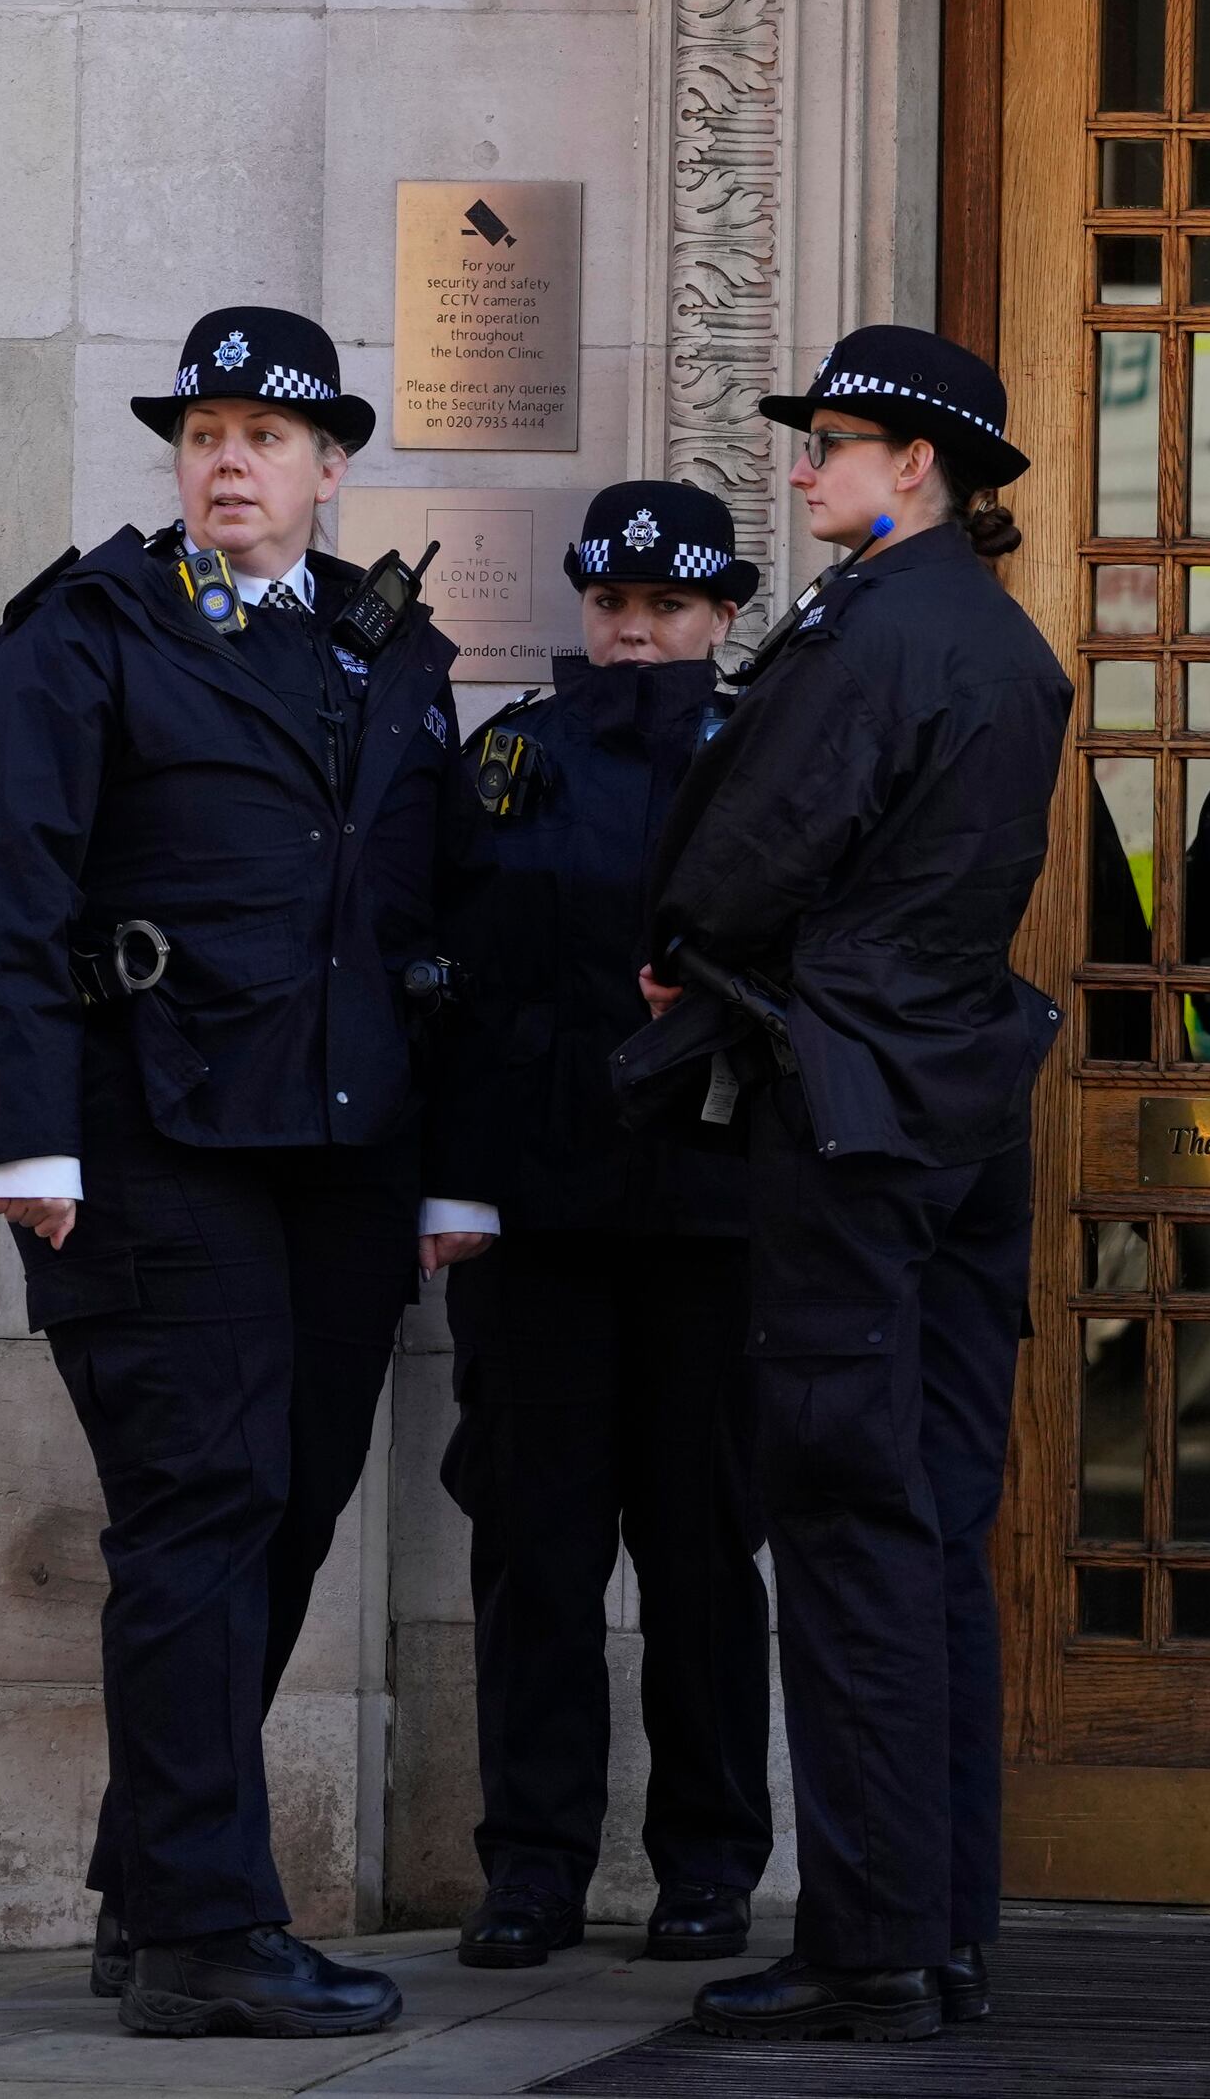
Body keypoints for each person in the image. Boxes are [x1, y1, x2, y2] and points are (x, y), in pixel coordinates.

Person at [0, 305, 469, 2042]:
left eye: (265, 435)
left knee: (290, 1511)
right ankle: (204, 1933)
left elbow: (429, 926)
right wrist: (31, 1133)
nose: (228, 459)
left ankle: (147, 1878)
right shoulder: (82, 635)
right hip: (151, 1145)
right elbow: (5, 897)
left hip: (337, 1154)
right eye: (204, 432)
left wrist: (446, 1169)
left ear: (331, 466)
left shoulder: (392, 651)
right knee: (199, 1513)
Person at [624, 325, 1069, 2047]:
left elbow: (751, 852)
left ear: (919, 467)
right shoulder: (995, 638)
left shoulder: (881, 631)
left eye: (834, 443)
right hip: (959, 1099)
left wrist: (680, 952)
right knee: (937, 1520)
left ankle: (873, 1941)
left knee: (847, 1513)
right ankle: (942, 1928)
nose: (805, 468)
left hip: (856, 1106)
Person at [421, 479, 773, 1972]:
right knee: (539, 1556)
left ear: (721, 616)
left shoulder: (766, 757)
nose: (636, 635)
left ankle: (706, 1863)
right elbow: (451, 982)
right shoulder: (508, 755)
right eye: (615, 606)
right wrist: (453, 1179)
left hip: (713, 1220)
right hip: (542, 1220)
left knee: (702, 1558)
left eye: (670, 610)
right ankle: (535, 1867)